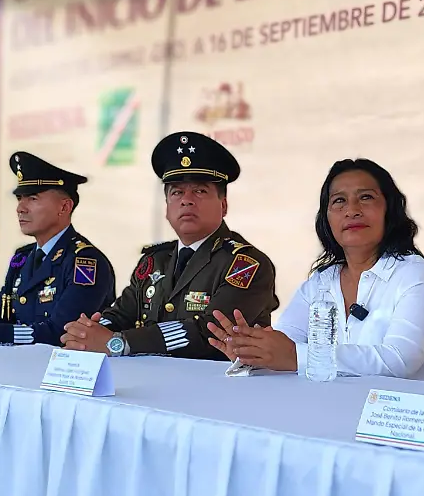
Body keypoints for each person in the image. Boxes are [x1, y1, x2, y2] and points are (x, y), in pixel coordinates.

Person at [207, 159, 424, 382]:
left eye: (366, 197)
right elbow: (285, 345)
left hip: (416, 423)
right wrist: (253, 353)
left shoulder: (417, 275)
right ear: (326, 218)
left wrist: (296, 356)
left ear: (390, 210)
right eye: (339, 201)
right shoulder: (319, 283)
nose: (352, 210)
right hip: (341, 417)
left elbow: (398, 361)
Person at [60, 131, 278, 359]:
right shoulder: (155, 260)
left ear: (223, 205)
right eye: (176, 192)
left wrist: (120, 342)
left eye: (200, 191)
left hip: (217, 388)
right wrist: (86, 332)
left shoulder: (245, 264)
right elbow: (122, 313)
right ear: (167, 207)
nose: (186, 199)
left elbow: (210, 331)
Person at [0, 152, 114, 345]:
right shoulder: (22, 257)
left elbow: (59, 332)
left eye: (32, 198)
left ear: (64, 207)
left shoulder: (85, 261)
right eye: (19, 199)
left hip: (60, 370)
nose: (20, 208)